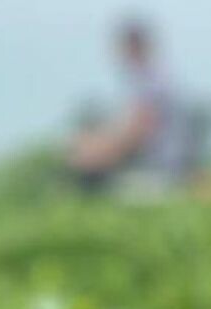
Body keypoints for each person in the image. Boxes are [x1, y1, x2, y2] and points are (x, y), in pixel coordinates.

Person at [69, 20, 191, 194]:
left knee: (91, 176)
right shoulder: (149, 79)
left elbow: (138, 131)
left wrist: (97, 151)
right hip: (157, 164)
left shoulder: (152, 81)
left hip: (162, 170)